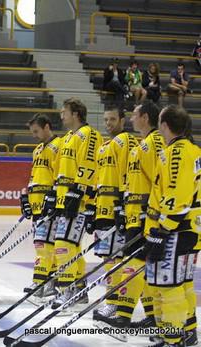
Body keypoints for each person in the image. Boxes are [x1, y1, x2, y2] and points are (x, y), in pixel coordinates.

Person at [98, 101, 164, 342]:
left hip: (147, 217)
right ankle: (152, 315)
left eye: (135, 115)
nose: (132, 119)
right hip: (135, 214)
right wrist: (125, 210)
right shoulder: (143, 144)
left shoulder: (154, 143)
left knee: (133, 265)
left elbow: (161, 180)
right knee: (139, 266)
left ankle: (123, 316)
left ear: (145, 117)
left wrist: (149, 211)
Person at [143, 105, 201, 347]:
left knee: (169, 287)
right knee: (182, 284)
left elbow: (178, 193)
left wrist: (163, 228)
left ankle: (173, 339)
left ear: (165, 125)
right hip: (188, 229)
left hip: (177, 229)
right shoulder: (189, 149)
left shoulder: (178, 152)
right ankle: (187, 333)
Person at [48, 98, 102, 311]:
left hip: (77, 202)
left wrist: (79, 193)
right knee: (70, 246)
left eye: (64, 112)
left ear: (76, 114)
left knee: (64, 246)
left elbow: (89, 167)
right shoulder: (68, 138)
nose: (61, 115)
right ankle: (79, 290)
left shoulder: (89, 135)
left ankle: (68, 290)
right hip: (65, 200)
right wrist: (54, 195)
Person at [90, 107, 138, 323]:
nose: (108, 123)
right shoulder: (103, 146)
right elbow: (99, 178)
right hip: (102, 207)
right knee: (107, 256)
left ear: (122, 120)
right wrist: (92, 206)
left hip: (116, 208)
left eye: (112, 119)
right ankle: (113, 299)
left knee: (116, 257)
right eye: (105, 119)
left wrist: (121, 206)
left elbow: (128, 174)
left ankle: (115, 301)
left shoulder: (126, 141)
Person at [20, 113, 61, 301]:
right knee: (41, 245)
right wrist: (25, 197)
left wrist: (53, 198)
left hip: (49, 205)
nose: (34, 135)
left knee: (45, 246)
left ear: (46, 127)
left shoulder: (58, 146)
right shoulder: (37, 150)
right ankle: (46, 282)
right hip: (37, 205)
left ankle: (43, 282)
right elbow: (33, 176)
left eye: (36, 131)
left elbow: (61, 175)